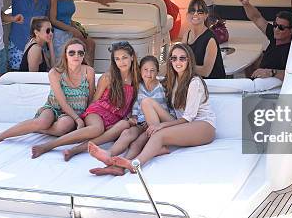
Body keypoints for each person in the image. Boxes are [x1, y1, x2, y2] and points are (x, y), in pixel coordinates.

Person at [90, 43, 216, 173]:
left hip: (202, 126)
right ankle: (118, 167)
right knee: (146, 102)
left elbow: (188, 117)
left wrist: (161, 126)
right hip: (180, 123)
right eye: (174, 58)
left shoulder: (194, 82)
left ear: (189, 60)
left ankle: (134, 164)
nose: (177, 62)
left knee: (158, 134)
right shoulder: (173, 80)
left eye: (182, 58)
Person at [30, 41, 138, 159]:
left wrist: (131, 116)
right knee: (97, 129)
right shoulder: (108, 77)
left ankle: (75, 150)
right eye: (117, 59)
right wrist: (82, 118)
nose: (121, 62)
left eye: (124, 58)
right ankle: (49, 145)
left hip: (116, 117)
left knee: (123, 125)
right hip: (97, 112)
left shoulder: (137, 78)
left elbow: (134, 102)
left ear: (132, 57)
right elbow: (94, 100)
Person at [0, 38, 95, 148]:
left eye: (80, 53)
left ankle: (35, 128)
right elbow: (62, 102)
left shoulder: (89, 71)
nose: (76, 56)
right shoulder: (55, 73)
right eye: (72, 53)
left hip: (74, 114)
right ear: (65, 54)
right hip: (54, 108)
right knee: (43, 121)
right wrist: (78, 120)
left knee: (64, 125)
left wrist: (84, 117)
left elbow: (90, 99)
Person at [67, 56, 166, 170]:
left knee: (135, 144)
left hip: (153, 125)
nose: (148, 73)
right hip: (140, 123)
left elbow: (164, 109)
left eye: (152, 70)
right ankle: (108, 154)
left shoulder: (162, 87)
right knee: (126, 134)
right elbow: (135, 104)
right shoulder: (138, 86)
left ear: (158, 71)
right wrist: (133, 116)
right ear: (140, 71)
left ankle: (119, 168)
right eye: (145, 70)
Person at [238, 0, 292, 81]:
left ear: (291, 31)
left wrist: (271, 72)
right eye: (275, 25)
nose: (276, 29)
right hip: (258, 79)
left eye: (281, 27)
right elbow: (256, 17)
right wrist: (246, 4)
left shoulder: (291, 51)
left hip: (270, 84)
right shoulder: (274, 34)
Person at [49, 0, 96, 66]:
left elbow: (67, 16)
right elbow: (53, 20)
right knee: (67, 60)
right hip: (59, 31)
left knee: (91, 44)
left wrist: (75, 27)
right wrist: (71, 29)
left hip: (69, 27)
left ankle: (89, 73)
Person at [182, 0, 225, 79]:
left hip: (212, 84)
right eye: (192, 11)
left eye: (200, 12)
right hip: (195, 81)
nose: (195, 14)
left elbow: (206, 72)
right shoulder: (186, 35)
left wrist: (183, 66)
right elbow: (181, 58)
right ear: (187, 15)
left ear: (206, 16)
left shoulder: (210, 39)